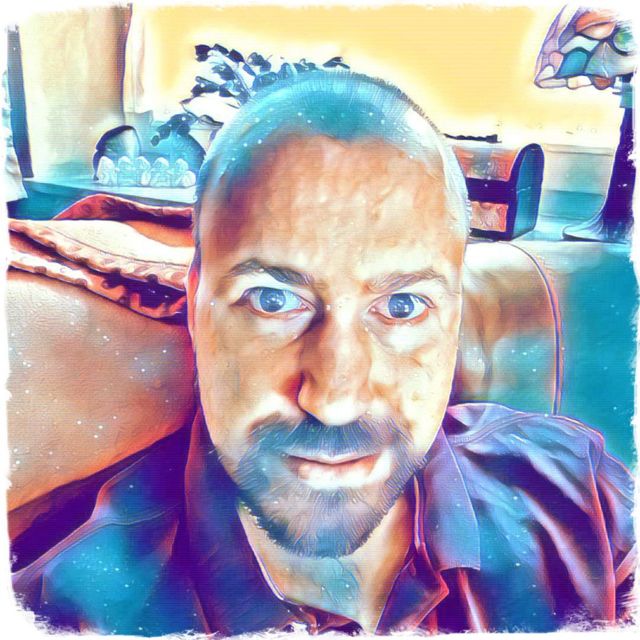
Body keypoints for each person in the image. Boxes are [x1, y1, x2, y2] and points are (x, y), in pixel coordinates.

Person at [11, 71, 636, 636]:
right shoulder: (68, 615)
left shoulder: (580, 492)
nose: (335, 400)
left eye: (401, 306)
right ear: (196, 305)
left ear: (453, 319)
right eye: (272, 300)